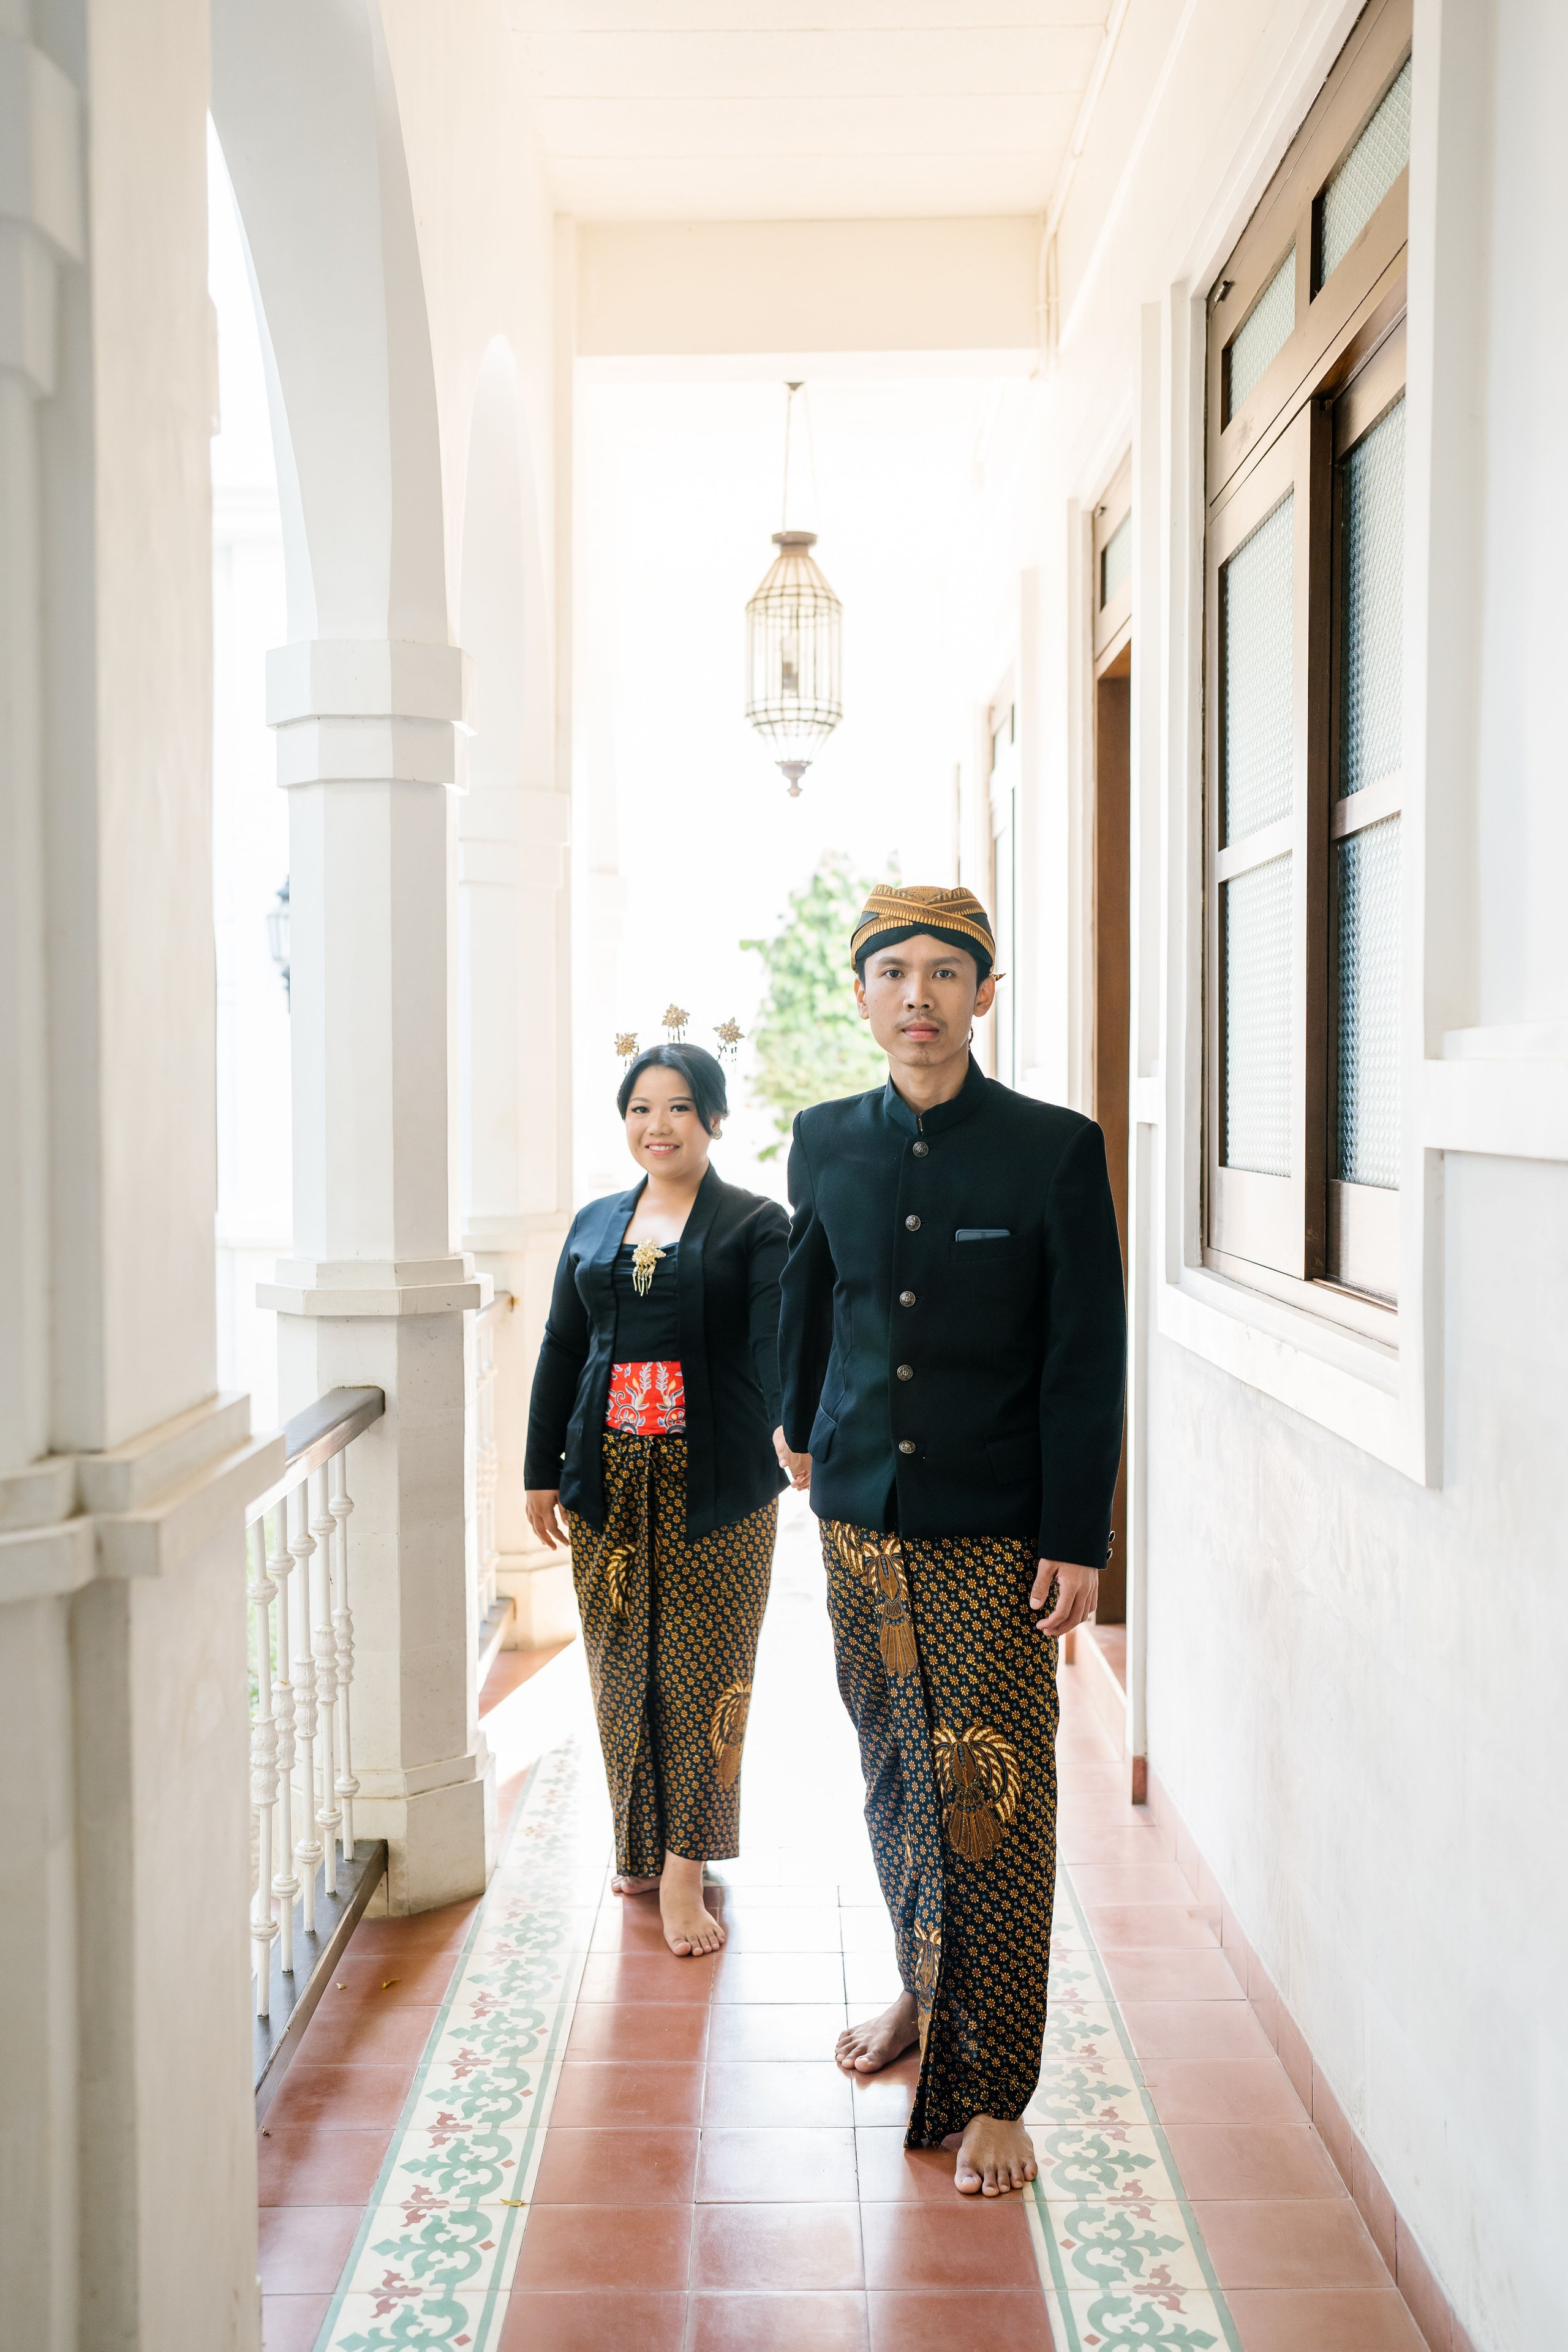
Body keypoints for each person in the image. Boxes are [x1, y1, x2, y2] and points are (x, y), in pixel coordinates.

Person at [775, 882, 1126, 2196]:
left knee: (990, 1800)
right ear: (862, 994)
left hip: (992, 1535)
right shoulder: (824, 1139)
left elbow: (1084, 1358)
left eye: (943, 971)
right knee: (893, 1781)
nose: (915, 995)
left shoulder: (1052, 1149)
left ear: (984, 992)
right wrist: (802, 1430)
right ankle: (927, 1994)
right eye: (892, 972)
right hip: (859, 1526)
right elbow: (806, 1296)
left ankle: (994, 2090)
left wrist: (1075, 1534)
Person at [525, 1042, 792, 1956]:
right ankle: (639, 1843)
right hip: (604, 1479)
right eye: (641, 1109)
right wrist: (539, 1469)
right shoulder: (595, 1222)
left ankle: (686, 1866)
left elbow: (772, 1344)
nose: (658, 1126)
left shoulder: (755, 1222)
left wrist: (792, 1431)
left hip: (717, 1484)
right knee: (620, 1668)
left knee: (705, 1673)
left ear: (713, 1118)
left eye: (678, 1107)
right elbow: (562, 1347)